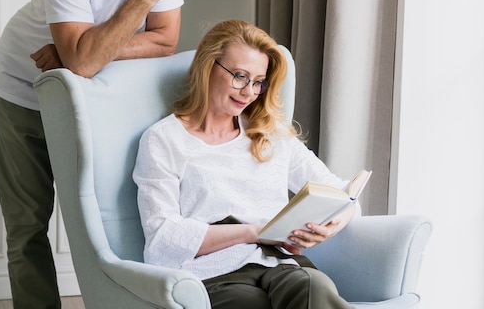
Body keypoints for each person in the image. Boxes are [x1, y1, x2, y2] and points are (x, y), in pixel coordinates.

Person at [0, 0, 191, 308]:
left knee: (106, 217)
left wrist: (80, 52)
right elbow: (87, 58)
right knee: (28, 225)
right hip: (24, 89)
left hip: (95, 94)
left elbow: (166, 40)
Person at [133, 20, 356, 309]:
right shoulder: (163, 139)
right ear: (207, 66)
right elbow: (162, 237)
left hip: (279, 264)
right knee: (250, 304)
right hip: (212, 272)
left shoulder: (269, 133)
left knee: (314, 285)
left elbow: (342, 193)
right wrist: (256, 232)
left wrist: (333, 225)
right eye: (240, 76)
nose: (249, 91)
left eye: (258, 82)